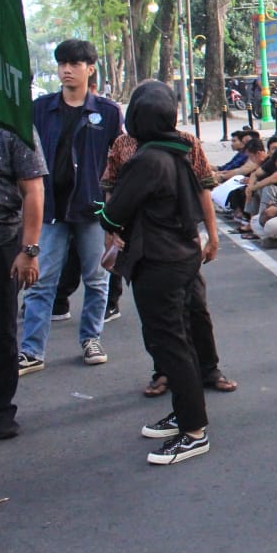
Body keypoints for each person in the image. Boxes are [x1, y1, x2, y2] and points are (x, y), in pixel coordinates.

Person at [98, 81, 216, 465]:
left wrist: (102, 219)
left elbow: (114, 213)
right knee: (178, 337)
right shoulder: (177, 150)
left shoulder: (148, 159)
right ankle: (185, 414)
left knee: (171, 344)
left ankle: (194, 431)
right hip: (181, 254)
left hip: (159, 261)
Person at [100, 124, 235, 398]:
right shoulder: (123, 145)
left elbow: (204, 188)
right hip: (140, 241)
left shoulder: (186, 142)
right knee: (155, 315)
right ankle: (163, 371)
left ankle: (209, 368)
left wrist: (212, 235)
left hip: (182, 238)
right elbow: (111, 189)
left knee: (196, 305)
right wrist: (111, 232)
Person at [18, 39, 122, 377]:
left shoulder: (107, 113)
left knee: (97, 278)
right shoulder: (40, 109)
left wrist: (113, 214)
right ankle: (31, 349)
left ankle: (91, 338)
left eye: (74, 64)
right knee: (42, 279)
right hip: (49, 208)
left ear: (90, 69)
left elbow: (116, 163)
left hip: (91, 211)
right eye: (62, 63)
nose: (66, 70)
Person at [0, 125, 45, 440]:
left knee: (0, 331)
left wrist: (29, 250)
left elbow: (33, 189)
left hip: (0, 244)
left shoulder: (12, 124)